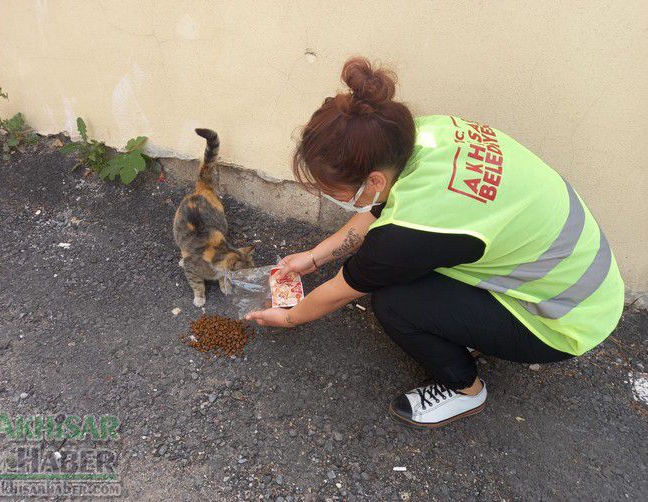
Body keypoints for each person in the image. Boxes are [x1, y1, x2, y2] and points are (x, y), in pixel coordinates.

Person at [246, 57, 624, 428]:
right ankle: (469, 329)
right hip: (585, 278)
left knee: (396, 303)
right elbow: (386, 207)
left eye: (334, 190)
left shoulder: (406, 237)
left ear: (374, 180)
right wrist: (313, 258)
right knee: (417, 273)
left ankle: (465, 390)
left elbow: (341, 290)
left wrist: (291, 317)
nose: (329, 196)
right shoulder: (427, 132)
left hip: (564, 321)